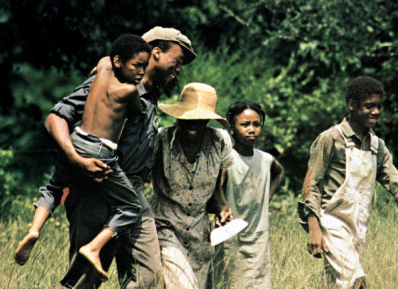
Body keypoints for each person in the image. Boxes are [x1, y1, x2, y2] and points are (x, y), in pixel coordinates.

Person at [23, 27, 196, 289]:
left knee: (148, 277)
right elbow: (56, 118)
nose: (179, 69)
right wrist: (76, 159)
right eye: (178, 60)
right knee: (85, 280)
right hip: (95, 188)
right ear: (157, 53)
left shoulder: (152, 94)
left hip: (132, 193)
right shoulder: (107, 83)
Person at [15, 34, 151, 280]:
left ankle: (35, 229)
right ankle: (94, 247)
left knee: (54, 187)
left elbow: (103, 64)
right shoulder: (129, 90)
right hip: (100, 150)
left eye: (145, 66)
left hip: (76, 138)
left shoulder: (103, 66)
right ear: (119, 61)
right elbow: (137, 111)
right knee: (130, 206)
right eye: (137, 66)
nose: (142, 72)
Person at [298, 76, 398, 289]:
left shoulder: (377, 146)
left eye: (379, 106)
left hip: (358, 227)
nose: (376, 112)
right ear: (351, 105)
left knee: (335, 284)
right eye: (369, 106)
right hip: (331, 223)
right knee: (356, 281)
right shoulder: (331, 138)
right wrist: (313, 228)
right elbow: (310, 186)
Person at [145, 83, 234, 289]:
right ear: (179, 116)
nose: (193, 124)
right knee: (182, 285)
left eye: (200, 119)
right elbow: (139, 179)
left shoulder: (219, 141)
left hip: (199, 235)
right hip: (166, 228)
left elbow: (218, 191)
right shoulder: (160, 140)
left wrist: (222, 209)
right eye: (188, 118)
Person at [212, 101, 284, 289]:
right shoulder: (227, 159)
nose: (252, 129)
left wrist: (266, 199)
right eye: (245, 124)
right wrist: (223, 208)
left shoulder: (266, 159)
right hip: (231, 240)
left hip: (258, 238)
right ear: (232, 129)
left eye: (256, 124)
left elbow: (279, 172)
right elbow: (217, 189)